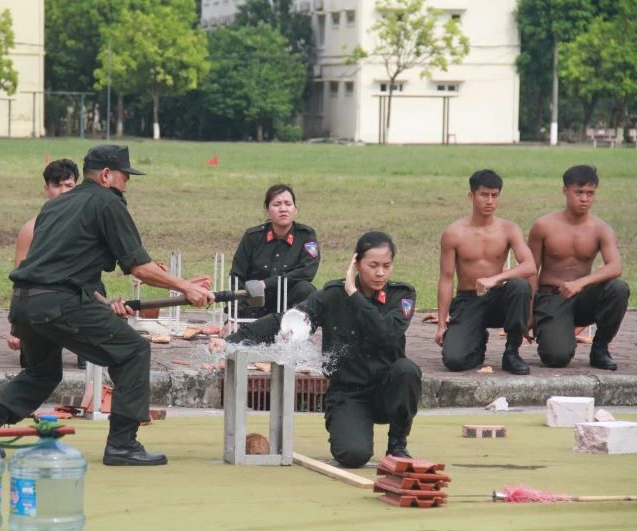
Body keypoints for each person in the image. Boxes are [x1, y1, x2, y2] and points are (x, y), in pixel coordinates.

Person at [0, 144, 215, 466]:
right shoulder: (107, 203)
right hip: (58, 302)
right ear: (106, 175)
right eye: (125, 177)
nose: (127, 184)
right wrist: (186, 287)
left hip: (24, 302)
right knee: (133, 351)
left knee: (41, 373)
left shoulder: (56, 206)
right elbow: (140, 267)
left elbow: (64, 267)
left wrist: (106, 304)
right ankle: (122, 445)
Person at [211, 231, 421, 468]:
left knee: (407, 370)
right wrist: (233, 341)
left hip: (387, 391)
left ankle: (397, 444)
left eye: (386, 265)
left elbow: (387, 332)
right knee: (353, 456)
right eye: (372, 265)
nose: (380, 273)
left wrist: (354, 294)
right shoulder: (333, 295)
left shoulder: (402, 295)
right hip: (349, 392)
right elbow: (286, 321)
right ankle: (353, 427)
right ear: (356, 263)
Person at [527, 165, 629, 370]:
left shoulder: (601, 229)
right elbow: (530, 270)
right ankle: (556, 333)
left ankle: (600, 348)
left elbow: (615, 266)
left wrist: (580, 283)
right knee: (556, 357)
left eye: (590, 193)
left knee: (617, 288)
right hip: (552, 297)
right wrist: (528, 313)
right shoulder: (543, 226)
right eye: (579, 192)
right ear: (565, 191)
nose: (584, 199)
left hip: (583, 296)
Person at [435, 169, 536, 375]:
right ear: (471, 196)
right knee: (454, 360)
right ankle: (477, 341)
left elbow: (529, 266)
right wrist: (441, 323)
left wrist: (495, 279)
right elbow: (446, 279)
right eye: (484, 195)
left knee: (519, 284)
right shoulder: (453, 233)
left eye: (495, 195)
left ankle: (511, 352)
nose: (490, 201)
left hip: (498, 298)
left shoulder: (509, 229)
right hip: (468, 300)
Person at [6, 159, 82, 368]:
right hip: (41, 303)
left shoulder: (85, 224)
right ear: (46, 189)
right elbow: (20, 278)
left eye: (69, 186)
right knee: (36, 366)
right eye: (56, 186)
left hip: (75, 299)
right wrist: (16, 328)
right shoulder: (31, 228)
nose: (62, 192)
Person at [228, 184, 319, 319]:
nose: (283, 209)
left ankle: (298, 332)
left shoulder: (306, 235)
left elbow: (307, 271)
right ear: (267, 210)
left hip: (288, 306)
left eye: (288, 204)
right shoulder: (252, 237)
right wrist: (234, 316)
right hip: (255, 305)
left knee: (305, 289)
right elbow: (237, 276)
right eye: (277, 204)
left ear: (295, 209)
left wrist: (266, 283)